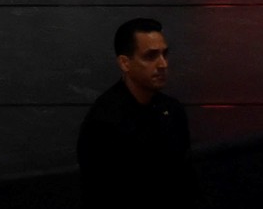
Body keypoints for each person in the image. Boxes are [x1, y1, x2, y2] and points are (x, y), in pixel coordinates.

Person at [77, 17, 196, 208]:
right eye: (150, 56)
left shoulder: (172, 111)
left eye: (164, 54)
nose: (163, 64)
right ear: (125, 63)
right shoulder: (104, 124)